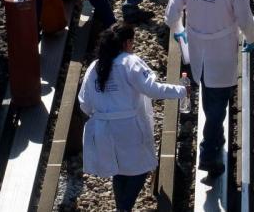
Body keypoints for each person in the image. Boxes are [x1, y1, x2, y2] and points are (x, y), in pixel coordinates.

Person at [164, 0, 254, 177]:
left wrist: (181, 33)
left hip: (195, 48)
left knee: (208, 94)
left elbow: (171, 15)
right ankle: (208, 152)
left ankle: (217, 140)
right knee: (218, 103)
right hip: (222, 50)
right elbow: (244, 18)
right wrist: (251, 38)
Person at [79, 23, 188, 212]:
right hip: (129, 128)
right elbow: (152, 89)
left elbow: (85, 103)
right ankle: (124, 208)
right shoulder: (130, 62)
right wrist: (181, 90)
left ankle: (122, 207)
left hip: (103, 128)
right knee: (140, 168)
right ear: (127, 42)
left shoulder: (94, 67)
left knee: (118, 168)